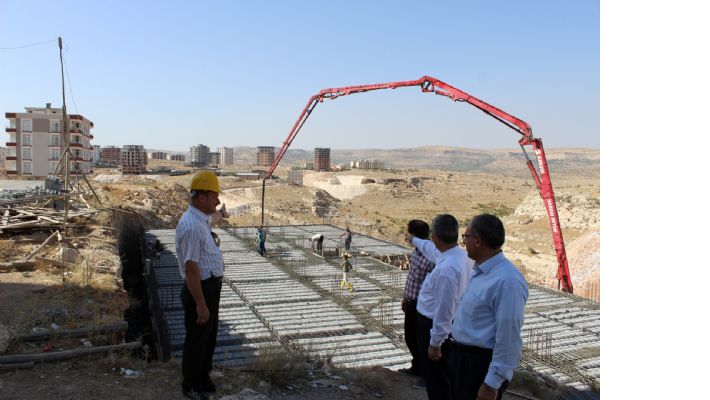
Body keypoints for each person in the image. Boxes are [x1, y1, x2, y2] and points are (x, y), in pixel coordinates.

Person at [448, 214, 528, 400]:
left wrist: (491, 384)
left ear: (477, 241)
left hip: (478, 366)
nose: (463, 242)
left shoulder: (507, 281)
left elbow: (508, 338)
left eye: (465, 237)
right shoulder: (482, 271)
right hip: (463, 359)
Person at [405, 214, 472, 400]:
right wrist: (414, 240)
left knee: (438, 382)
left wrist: (435, 344)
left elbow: (444, 311)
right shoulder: (457, 254)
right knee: (443, 378)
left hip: (434, 327)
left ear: (435, 237)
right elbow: (427, 248)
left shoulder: (447, 269)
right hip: (446, 326)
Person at [175, 171, 225, 400]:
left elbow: (212, 218)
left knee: (208, 336)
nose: (218, 201)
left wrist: (220, 214)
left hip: (210, 287)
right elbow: (192, 268)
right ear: (202, 197)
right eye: (215, 196)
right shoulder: (192, 227)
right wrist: (201, 304)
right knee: (196, 340)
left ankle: (203, 379)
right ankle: (191, 385)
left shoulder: (200, 218)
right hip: (200, 289)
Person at [398, 220, 436, 387]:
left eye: (408, 233)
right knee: (410, 337)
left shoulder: (431, 256)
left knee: (423, 341)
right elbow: (412, 278)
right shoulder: (416, 252)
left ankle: (427, 375)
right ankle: (417, 367)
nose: (406, 235)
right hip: (412, 301)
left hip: (424, 306)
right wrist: (406, 297)